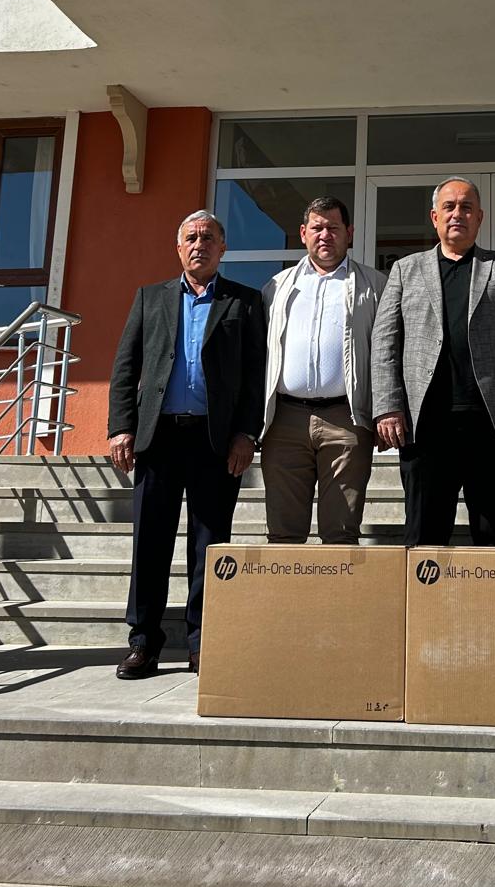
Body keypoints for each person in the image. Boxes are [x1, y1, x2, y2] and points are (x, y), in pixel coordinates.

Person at [108, 211, 266, 679]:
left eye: (209, 238)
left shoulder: (245, 302)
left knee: (209, 544)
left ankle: (203, 642)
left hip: (214, 441)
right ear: (179, 248)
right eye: (191, 238)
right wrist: (121, 428)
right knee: (150, 542)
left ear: (223, 247)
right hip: (157, 438)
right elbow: (125, 366)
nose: (200, 244)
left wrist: (246, 433)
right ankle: (143, 642)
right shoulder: (150, 298)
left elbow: (256, 375)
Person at [372, 176, 495, 546]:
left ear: (479, 217)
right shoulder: (405, 270)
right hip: (425, 423)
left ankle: (494, 588)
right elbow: (385, 342)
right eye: (449, 207)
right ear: (435, 217)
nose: (457, 214)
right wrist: (387, 406)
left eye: (466, 207)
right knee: (424, 534)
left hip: (492, 423)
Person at [260, 195, 386, 544]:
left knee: (341, 532)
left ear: (350, 233)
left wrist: (383, 411)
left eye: (333, 227)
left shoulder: (375, 285)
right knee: (283, 533)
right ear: (303, 233)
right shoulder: (276, 286)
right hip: (285, 420)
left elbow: (386, 354)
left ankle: (338, 584)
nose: (325, 235)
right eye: (317, 228)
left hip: (346, 419)